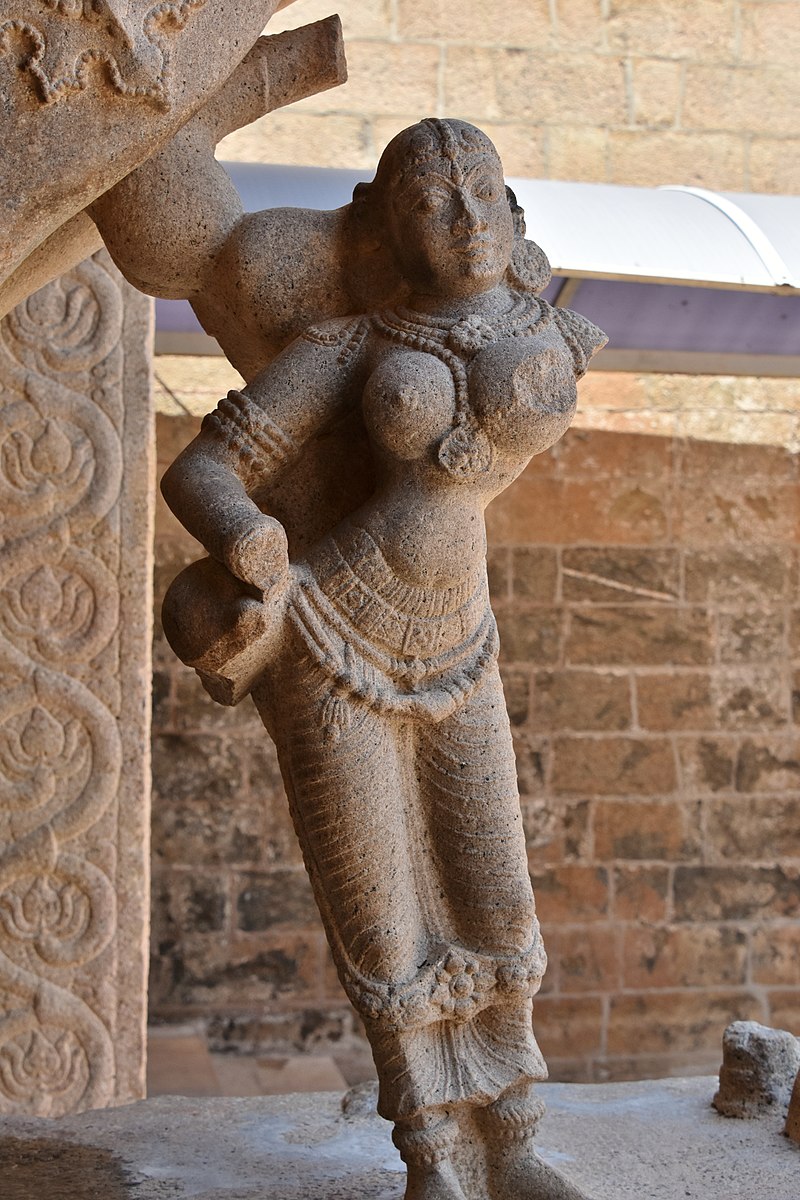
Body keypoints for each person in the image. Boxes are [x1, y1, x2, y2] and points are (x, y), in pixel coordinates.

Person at [159, 118, 605, 1200]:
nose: (464, 224)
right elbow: (204, 469)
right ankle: (433, 1152)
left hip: (459, 641)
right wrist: (246, 539)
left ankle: (513, 1132)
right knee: (383, 913)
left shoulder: (543, 321)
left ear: (510, 205)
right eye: (428, 206)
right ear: (385, 229)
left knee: (494, 895)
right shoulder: (352, 345)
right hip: (330, 636)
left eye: (481, 195)